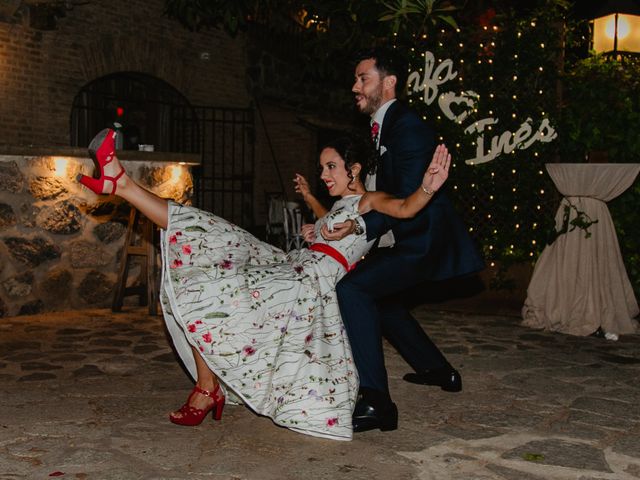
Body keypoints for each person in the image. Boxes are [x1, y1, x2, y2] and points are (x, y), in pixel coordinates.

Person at [77, 128, 451, 441]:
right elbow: (332, 219)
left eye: (331, 167)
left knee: (215, 286)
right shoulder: (339, 206)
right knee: (206, 235)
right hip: (294, 264)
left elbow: (405, 208)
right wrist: (311, 209)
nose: (324, 174)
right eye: (322, 167)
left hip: (309, 283)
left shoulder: (370, 199)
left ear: (354, 169)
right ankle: (122, 184)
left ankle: (207, 389)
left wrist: (428, 187)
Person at [322, 47, 485, 433]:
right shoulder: (384, 126)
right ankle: (440, 372)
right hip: (406, 237)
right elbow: (379, 188)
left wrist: (361, 227)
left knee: (353, 291)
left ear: (389, 82)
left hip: (420, 240)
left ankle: (377, 402)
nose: (355, 86)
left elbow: (409, 195)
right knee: (386, 303)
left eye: (363, 78)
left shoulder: (406, 126)